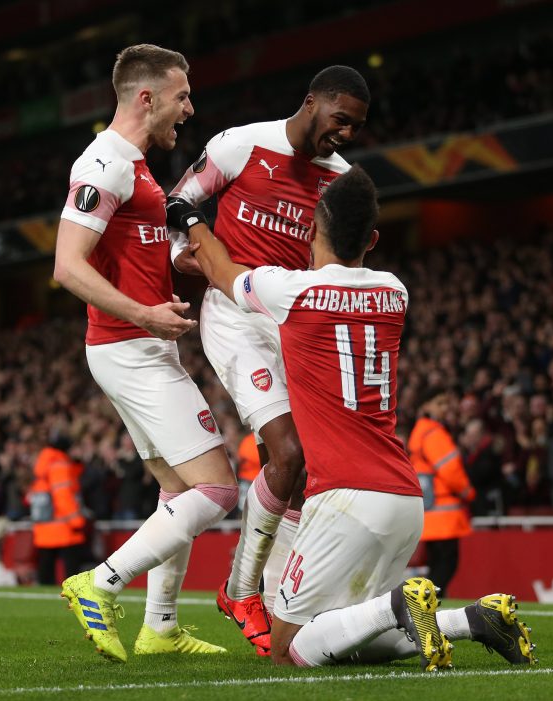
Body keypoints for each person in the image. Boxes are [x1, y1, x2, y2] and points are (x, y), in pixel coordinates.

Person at [173, 165, 536, 669]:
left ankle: (396, 602)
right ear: (374, 239)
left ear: (309, 233)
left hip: (344, 496)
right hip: (405, 498)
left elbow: (220, 271)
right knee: (350, 632)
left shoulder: (291, 291)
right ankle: (469, 620)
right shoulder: (394, 291)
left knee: (288, 650)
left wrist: (190, 218)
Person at [166, 65, 371, 655]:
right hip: (235, 321)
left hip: (294, 324)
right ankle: (240, 590)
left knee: (300, 473)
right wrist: (191, 255)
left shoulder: (341, 179)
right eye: (340, 120)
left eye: (356, 126)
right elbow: (179, 201)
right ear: (311, 103)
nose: (347, 134)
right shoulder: (241, 144)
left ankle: (282, 598)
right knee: (289, 452)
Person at [52, 44, 238, 662]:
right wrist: (143, 313)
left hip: (135, 344)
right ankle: (97, 584)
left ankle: (159, 627)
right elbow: (67, 266)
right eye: (182, 95)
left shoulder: (136, 167)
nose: (190, 107)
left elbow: (133, 255)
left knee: (176, 491)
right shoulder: (104, 163)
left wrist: (181, 266)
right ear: (146, 98)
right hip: (130, 344)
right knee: (215, 491)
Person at [408, 388, 475, 595]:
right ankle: (424, 603)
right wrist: (467, 491)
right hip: (443, 512)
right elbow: (450, 469)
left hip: (430, 509)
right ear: (426, 406)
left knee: (438, 564)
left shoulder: (419, 431)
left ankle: (424, 603)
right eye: (440, 403)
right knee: (446, 564)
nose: (445, 408)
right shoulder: (434, 433)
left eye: (447, 403)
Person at [28, 432, 89, 586]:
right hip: (64, 527)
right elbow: (63, 495)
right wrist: (77, 521)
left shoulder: (45, 463)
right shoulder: (59, 465)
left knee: (46, 572)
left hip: (45, 526)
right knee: (73, 576)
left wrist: (77, 462)